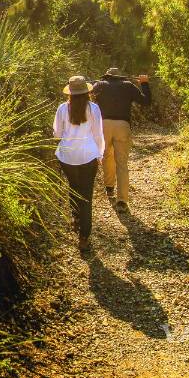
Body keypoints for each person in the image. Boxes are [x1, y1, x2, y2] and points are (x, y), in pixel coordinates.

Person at [53, 75, 105, 252]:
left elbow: (57, 134)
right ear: (87, 92)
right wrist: (100, 153)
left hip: (67, 156)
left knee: (73, 187)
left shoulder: (62, 109)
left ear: (70, 92)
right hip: (88, 155)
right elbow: (98, 134)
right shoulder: (94, 109)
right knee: (86, 195)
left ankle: (75, 218)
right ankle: (84, 238)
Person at [91, 67, 151, 211]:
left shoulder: (99, 85)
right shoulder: (128, 86)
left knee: (107, 156)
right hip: (122, 125)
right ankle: (122, 201)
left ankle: (109, 187)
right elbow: (146, 102)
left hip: (104, 125)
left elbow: (87, 97)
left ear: (107, 76)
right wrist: (144, 83)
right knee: (122, 163)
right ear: (120, 77)